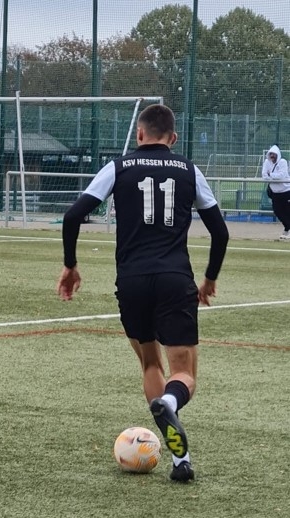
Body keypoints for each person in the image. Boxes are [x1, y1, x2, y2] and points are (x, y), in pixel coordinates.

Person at [56, 104, 229, 482]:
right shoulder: (189, 170)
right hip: (174, 279)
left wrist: (70, 265)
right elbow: (220, 232)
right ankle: (171, 411)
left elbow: (72, 216)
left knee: (151, 364)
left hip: (132, 281)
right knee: (184, 374)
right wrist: (210, 278)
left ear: (139, 134)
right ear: (173, 138)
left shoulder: (118, 167)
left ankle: (180, 456)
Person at [261, 145, 290, 240]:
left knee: (287, 211)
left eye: (274, 154)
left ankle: (287, 230)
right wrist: (273, 176)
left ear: (277, 154)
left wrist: (270, 175)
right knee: (277, 211)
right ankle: (287, 227)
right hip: (275, 193)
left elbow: (282, 175)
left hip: (286, 191)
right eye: (271, 154)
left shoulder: (283, 162)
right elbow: (264, 176)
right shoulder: (267, 162)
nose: (272, 156)